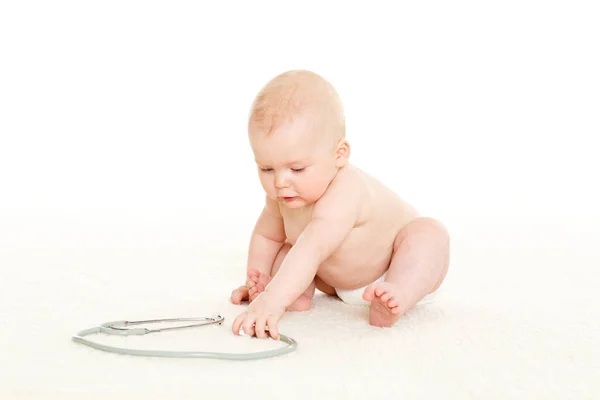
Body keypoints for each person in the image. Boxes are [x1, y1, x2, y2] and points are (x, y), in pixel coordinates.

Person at [230, 70, 450, 339]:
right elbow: (266, 236)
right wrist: (258, 281)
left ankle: (398, 295)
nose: (280, 183)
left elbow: (313, 247)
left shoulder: (346, 191)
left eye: (297, 169)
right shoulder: (282, 197)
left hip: (391, 266)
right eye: (266, 168)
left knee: (429, 234)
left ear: (339, 154)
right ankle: (295, 295)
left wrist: (272, 300)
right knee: (288, 249)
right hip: (334, 279)